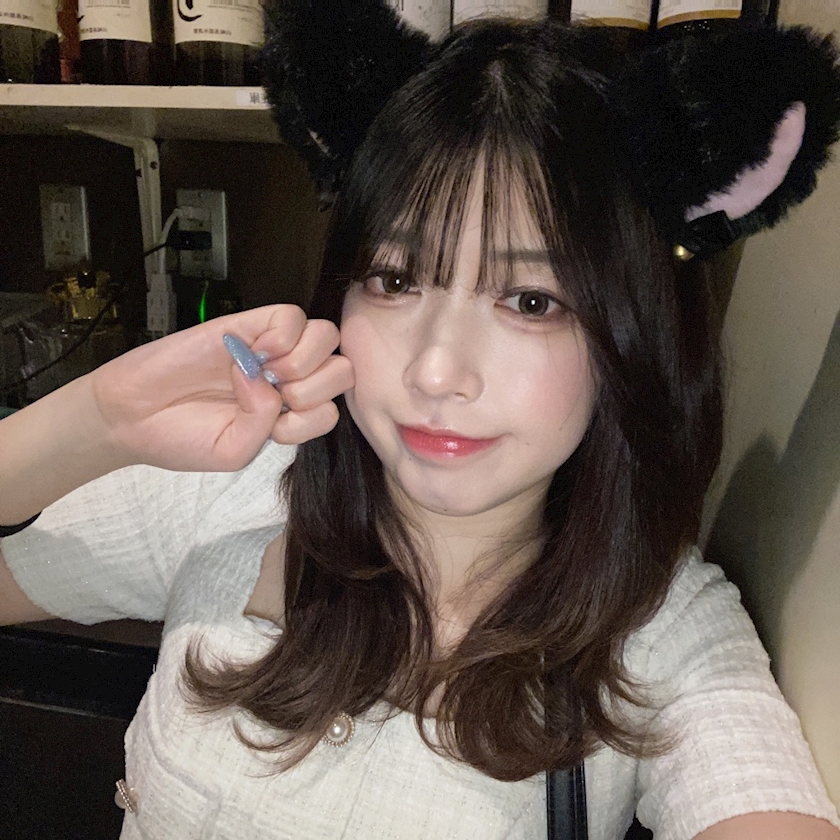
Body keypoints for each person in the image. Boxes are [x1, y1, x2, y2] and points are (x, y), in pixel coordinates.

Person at [2, 7, 840, 839]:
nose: (436, 371)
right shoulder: (234, 491)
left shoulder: (663, 631)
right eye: (396, 280)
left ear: (633, 334)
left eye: (531, 301)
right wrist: (99, 420)